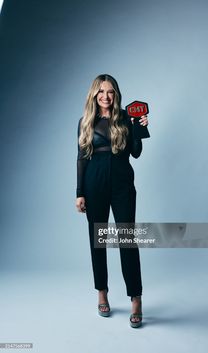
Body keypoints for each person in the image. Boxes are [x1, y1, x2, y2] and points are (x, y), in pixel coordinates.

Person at [75, 74, 149, 328]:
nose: (105, 96)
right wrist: (79, 192)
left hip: (122, 186)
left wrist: (139, 127)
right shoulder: (85, 122)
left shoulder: (126, 119)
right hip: (94, 186)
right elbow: (82, 158)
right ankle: (102, 293)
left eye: (110, 92)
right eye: (101, 92)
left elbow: (136, 152)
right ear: (94, 95)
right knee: (99, 242)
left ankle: (136, 298)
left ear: (116, 95)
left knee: (127, 240)